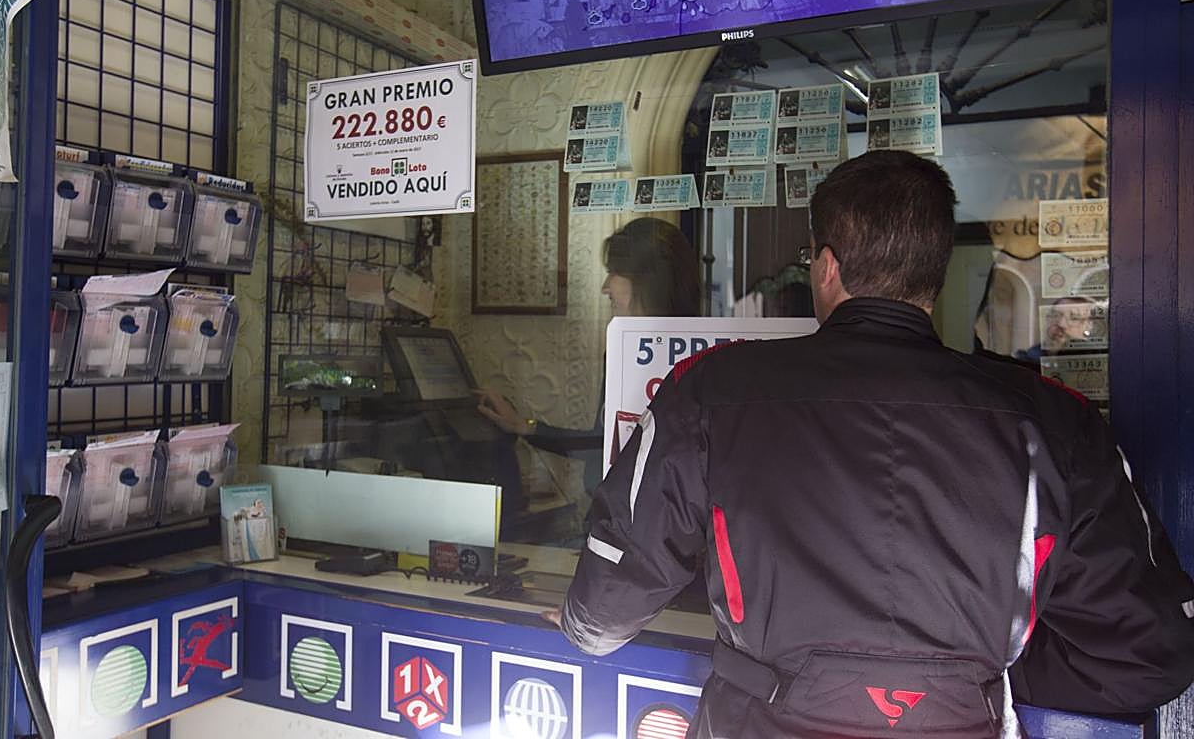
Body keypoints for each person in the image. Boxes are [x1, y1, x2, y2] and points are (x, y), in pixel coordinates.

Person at [555, 150, 1194, 738]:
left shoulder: (713, 392)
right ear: (933, 277)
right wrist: (974, 674)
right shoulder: (1056, 421)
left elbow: (612, 596)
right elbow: (1151, 652)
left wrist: (582, 629)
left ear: (827, 265)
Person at [476, 216, 700, 496]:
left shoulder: (700, 362)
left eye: (615, 272)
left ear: (647, 281)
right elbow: (602, 446)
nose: (605, 287)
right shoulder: (620, 352)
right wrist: (524, 426)